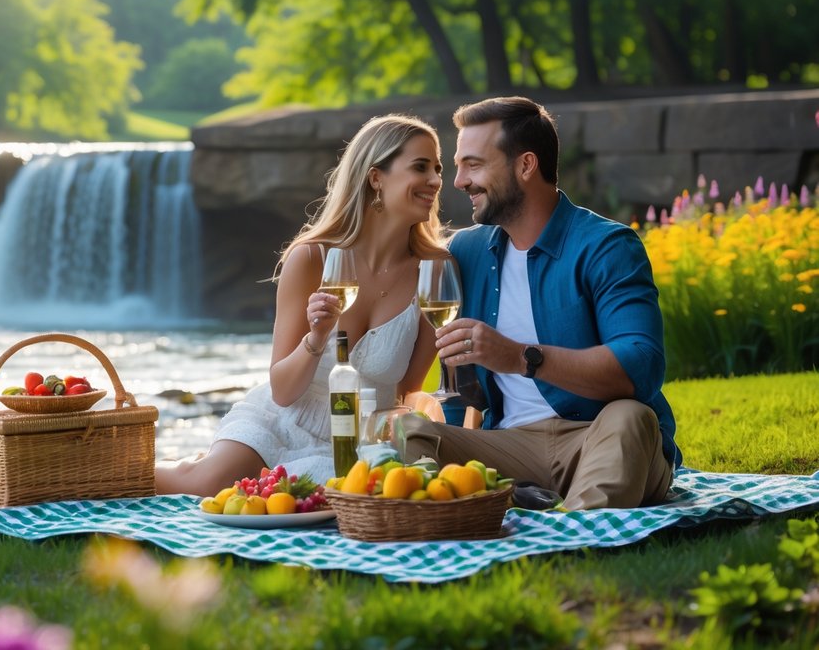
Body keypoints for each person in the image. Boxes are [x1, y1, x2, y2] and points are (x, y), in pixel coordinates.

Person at [399, 96, 681, 510]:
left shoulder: (606, 246)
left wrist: (519, 357)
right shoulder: (467, 251)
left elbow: (641, 366)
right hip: (511, 447)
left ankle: (574, 535)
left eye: (473, 165)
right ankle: (510, 501)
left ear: (526, 165)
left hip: (598, 436)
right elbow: (460, 390)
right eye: (457, 165)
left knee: (631, 417)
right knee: (408, 434)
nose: (458, 181)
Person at [156, 114, 450, 496]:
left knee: (322, 498)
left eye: (438, 169)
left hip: (364, 439)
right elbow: (282, 391)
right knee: (207, 484)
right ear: (376, 177)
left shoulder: (434, 270)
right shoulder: (311, 258)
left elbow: (407, 390)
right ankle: (102, 474)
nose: (436, 181)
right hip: (284, 418)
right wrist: (316, 337)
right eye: (421, 167)